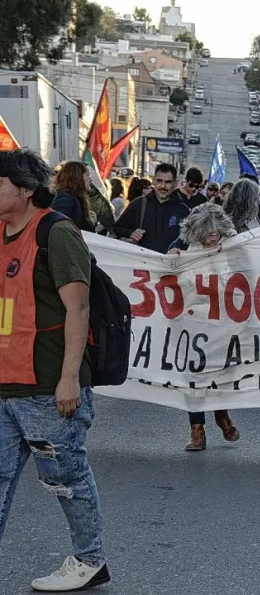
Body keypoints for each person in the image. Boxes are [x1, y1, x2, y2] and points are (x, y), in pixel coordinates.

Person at [0, 149, 111, 591]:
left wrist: (69, 379)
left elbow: (78, 309)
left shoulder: (57, 233)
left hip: (47, 387)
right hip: (5, 384)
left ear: (26, 190)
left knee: (65, 478)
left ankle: (89, 560)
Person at [173, 204, 242, 451]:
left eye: (216, 232)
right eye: (207, 233)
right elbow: (171, 272)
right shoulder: (184, 247)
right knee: (194, 376)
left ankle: (222, 415)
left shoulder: (232, 247)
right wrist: (172, 259)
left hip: (224, 322)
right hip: (193, 322)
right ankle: (197, 429)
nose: (212, 237)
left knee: (221, 373)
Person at [112, 163, 190, 253]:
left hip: (170, 260)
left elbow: (190, 240)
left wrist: (179, 251)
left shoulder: (183, 210)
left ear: (175, 184)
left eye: (168, 182)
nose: (163, 186)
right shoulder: (138, 204)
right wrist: (131, 233)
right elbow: (116, 229)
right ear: (153, 181)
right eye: (159, 181)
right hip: (142, 260)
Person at [52, 161, 96, 232]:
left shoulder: (74, 198)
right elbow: (60, 228)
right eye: (87, 175)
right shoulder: (65, 199)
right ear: (77, 177)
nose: (90, 180)